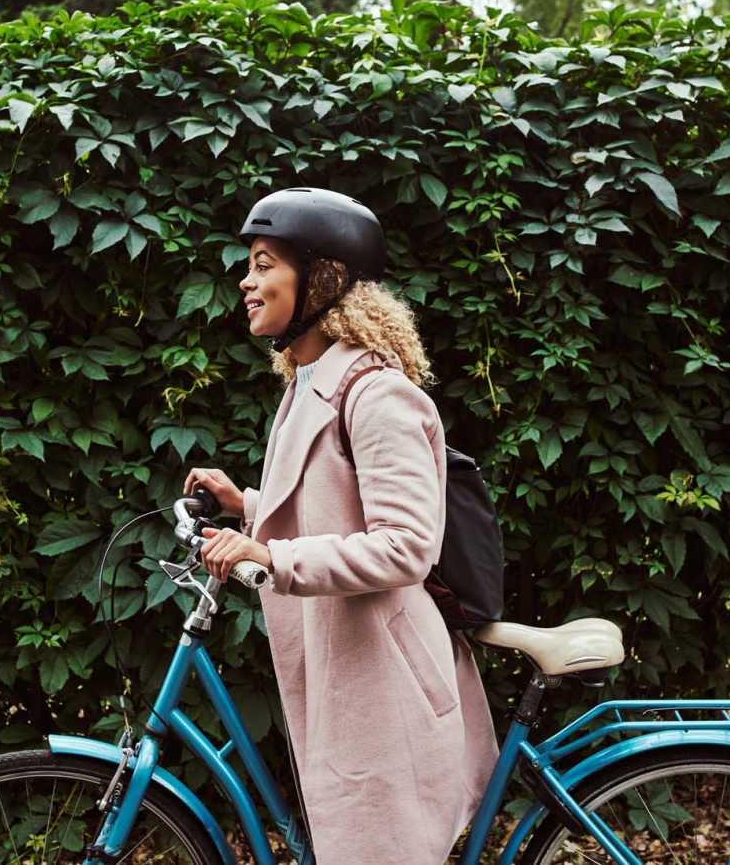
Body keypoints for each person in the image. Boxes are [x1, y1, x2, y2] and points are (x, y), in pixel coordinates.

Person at [182, 187, 498, 865]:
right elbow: (335, 503)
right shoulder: (309, 383)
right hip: (348, 665)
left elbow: (405, 546)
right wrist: (248, 504)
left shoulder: (378, 394)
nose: (247, 280)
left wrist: (271, 555)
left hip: (385, 685)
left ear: (322, 279)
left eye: (265, 263)